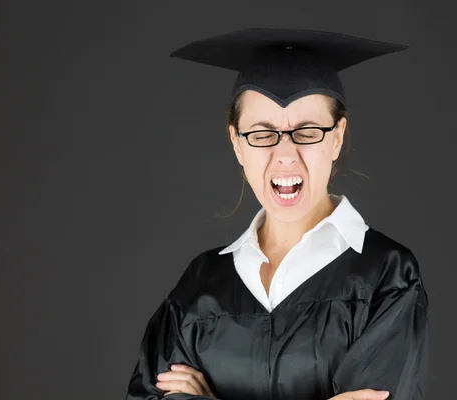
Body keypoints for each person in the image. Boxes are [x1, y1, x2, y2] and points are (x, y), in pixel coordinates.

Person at [125, 28, 429, 400]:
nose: (285, 155)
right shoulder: (199, 287)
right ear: (237, 143)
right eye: (262, 133)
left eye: (307, 131)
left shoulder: (387, 277)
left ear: (337, 137)